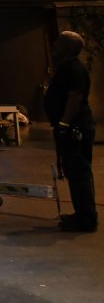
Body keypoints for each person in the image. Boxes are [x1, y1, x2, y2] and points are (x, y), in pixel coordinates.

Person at [44, 31, 97, 232]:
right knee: (75, 173)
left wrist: (64, 124)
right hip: (72, 127)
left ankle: (86, 219)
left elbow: (75, 97)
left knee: (79, 173)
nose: (54, 44)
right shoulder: (66, 68)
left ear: (65, 48)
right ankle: (82, 214)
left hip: (75, 128)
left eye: (58, 41)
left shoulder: (74, 69)